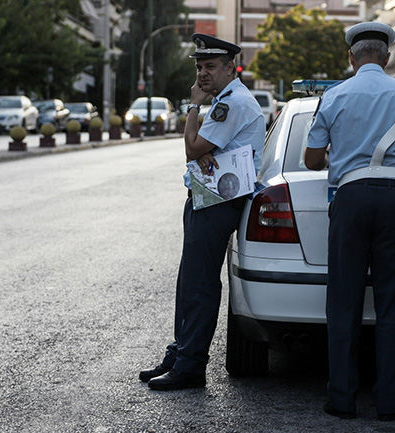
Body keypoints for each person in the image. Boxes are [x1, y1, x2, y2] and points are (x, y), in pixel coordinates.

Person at [303, 22, 395, 420]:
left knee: (343, 302)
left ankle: (341, 400)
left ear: (351, 58)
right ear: (387, 57)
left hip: (351, 198)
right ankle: (391, 403)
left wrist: (345, 155)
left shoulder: (334, 96)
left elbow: (311, 159)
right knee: (392, 303)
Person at [139, 33, 265, 391]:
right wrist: (204, 149)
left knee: (199, 285)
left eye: (210, 66)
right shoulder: (227, 99)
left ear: (230, 68)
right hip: (206, 196)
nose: (202, 74)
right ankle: (180, 353)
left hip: (217, 202)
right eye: (199, 67)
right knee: (188, 282)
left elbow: (193, 149)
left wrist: (193, 108)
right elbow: (201, 150)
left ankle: (191, 366)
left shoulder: (231, 102)